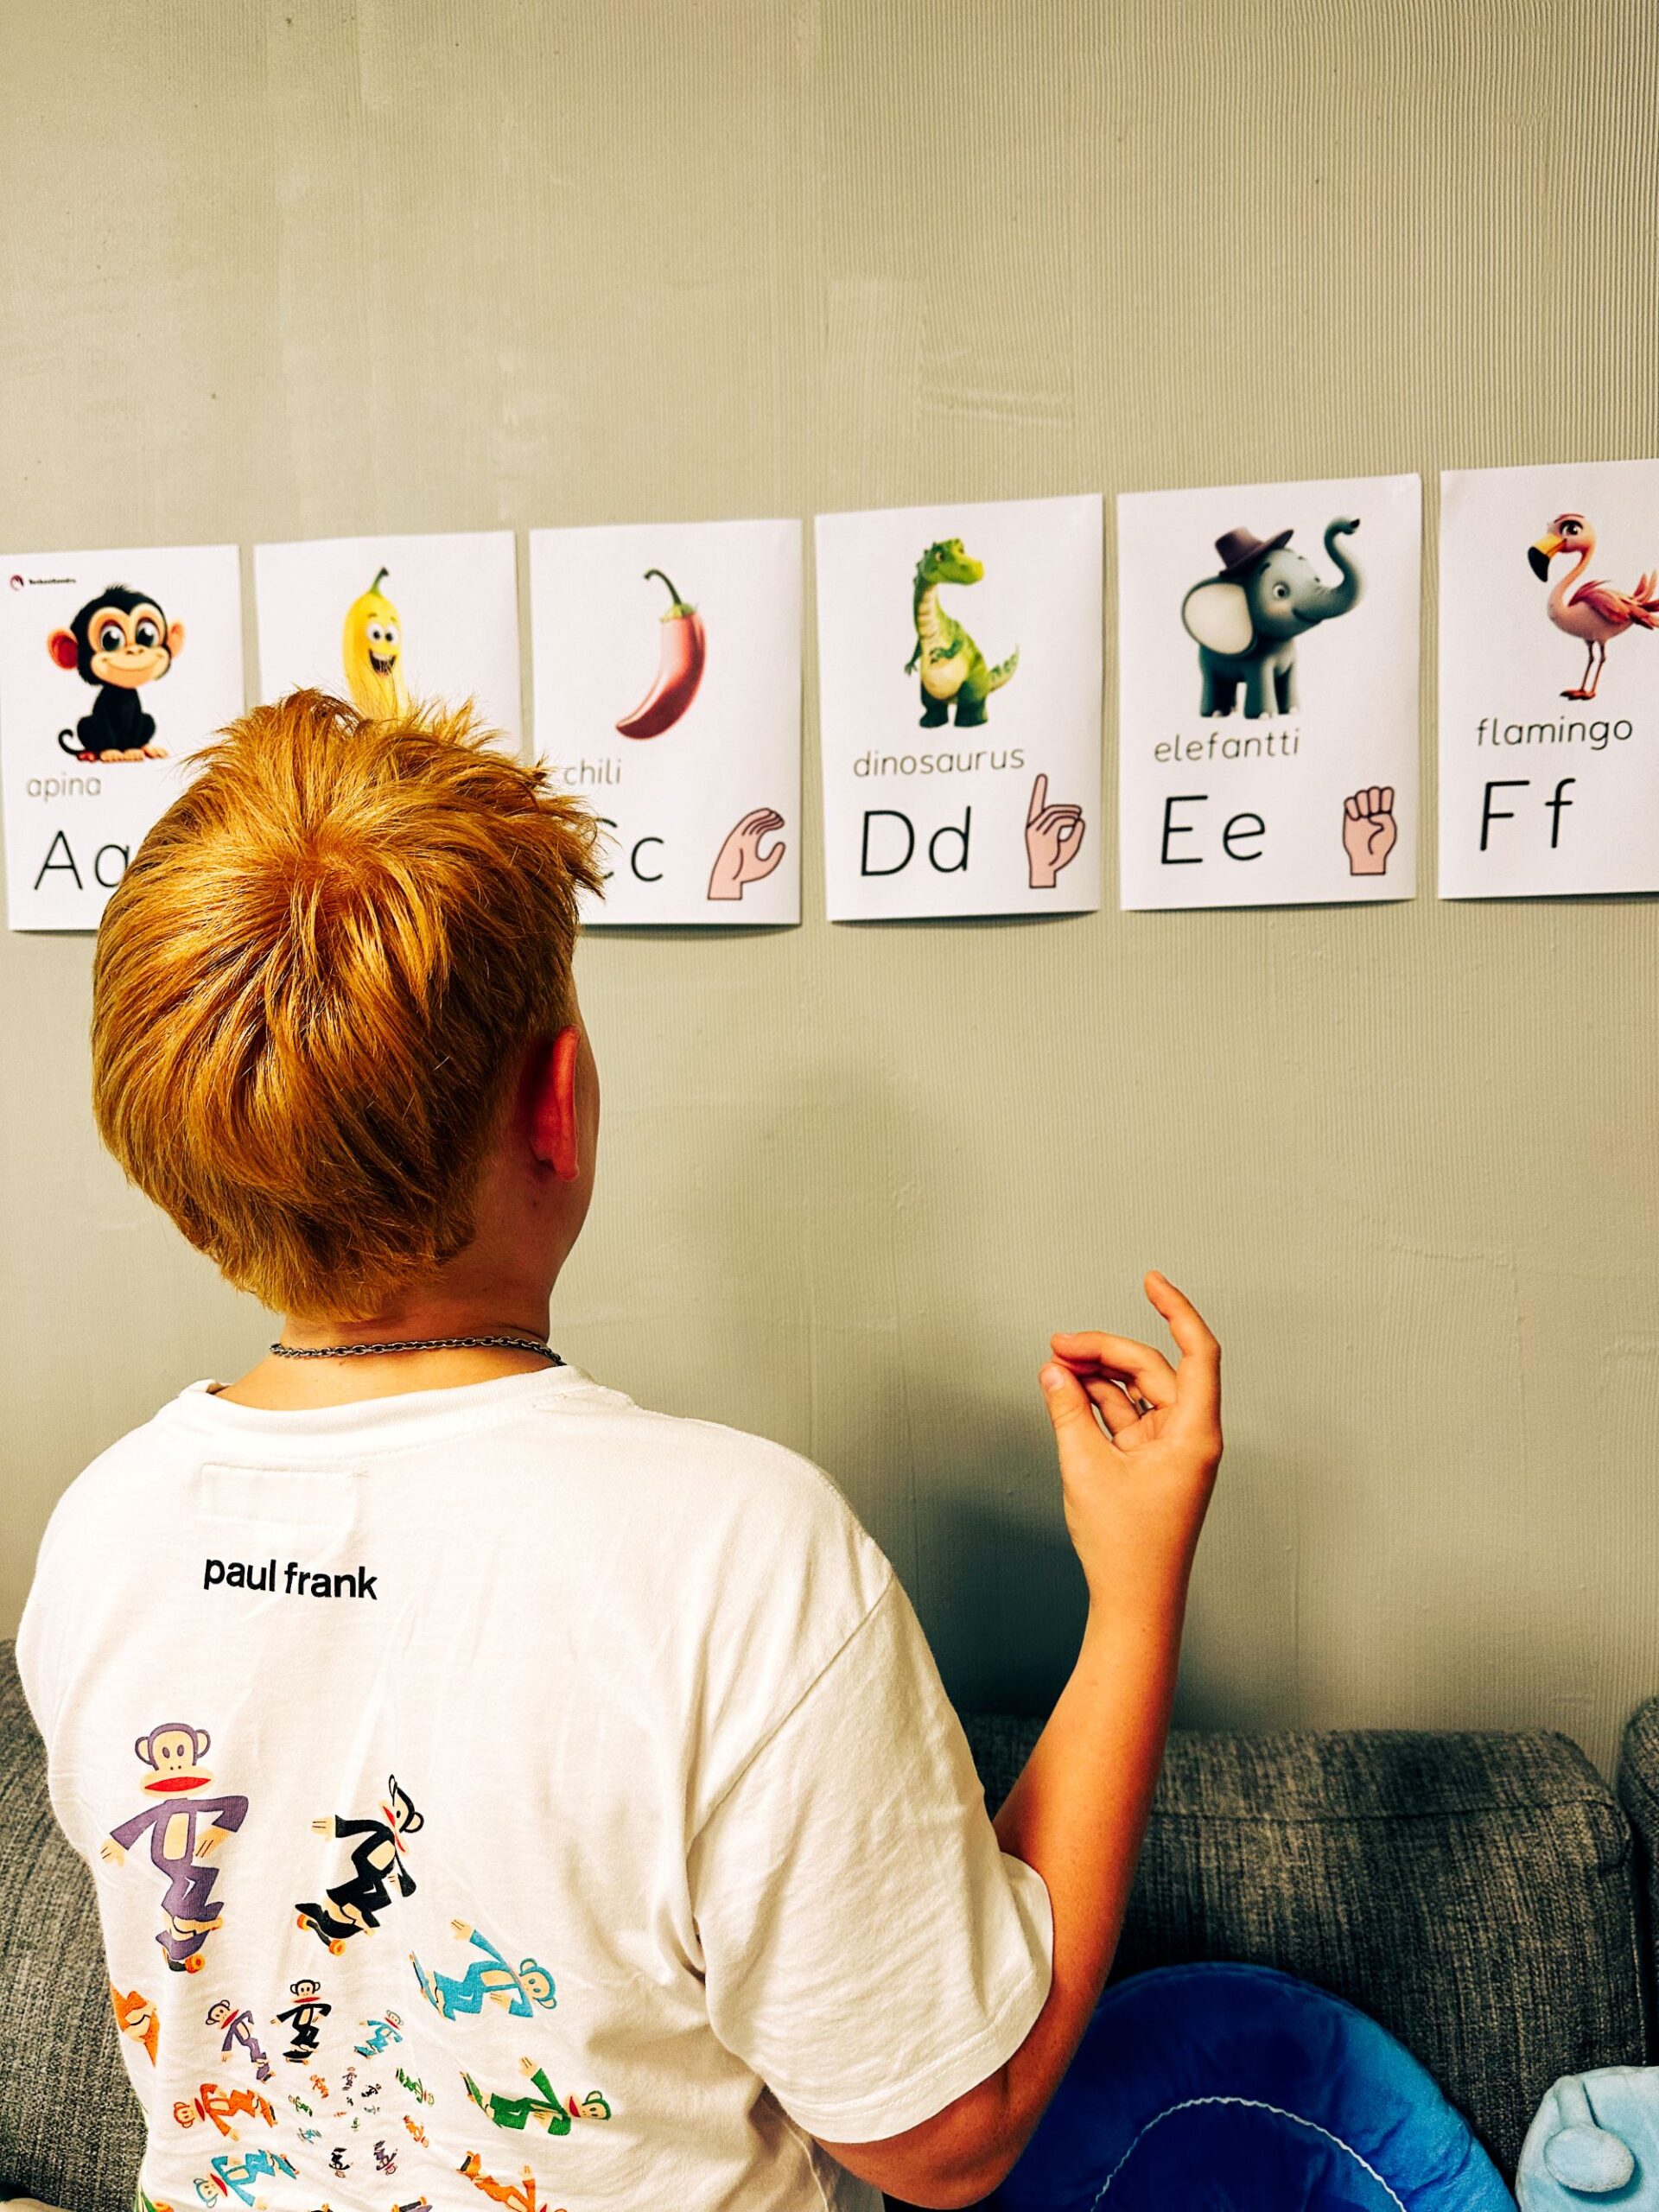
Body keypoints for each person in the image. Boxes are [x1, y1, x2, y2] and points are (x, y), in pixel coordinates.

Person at [17, 690, 1223, 2212]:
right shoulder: (735, 1553)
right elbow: (947, 2135)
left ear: (181, 1161)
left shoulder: (102, 1531)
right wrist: (1137, 1596)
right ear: (558, 1105)